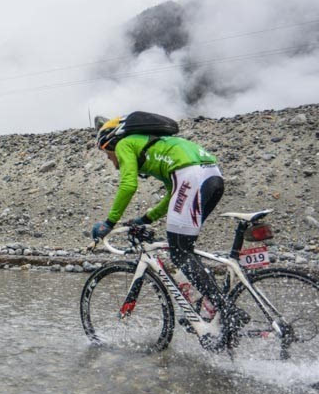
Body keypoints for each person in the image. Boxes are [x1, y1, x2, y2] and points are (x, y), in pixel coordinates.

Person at [92, 114, 229, 348]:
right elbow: (171, 195)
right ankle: (216, 310)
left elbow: (128, 185)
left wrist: (109, 222)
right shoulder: (158, 148)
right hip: (212, 176)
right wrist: (146, 218)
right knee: (185, 249)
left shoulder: (125, 143)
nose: (111, 161)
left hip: (191, 175)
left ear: (110, 143)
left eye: (108, 155)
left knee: (179, 253)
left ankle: (228, 310)